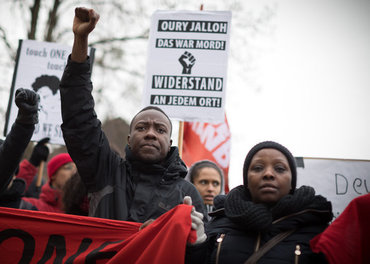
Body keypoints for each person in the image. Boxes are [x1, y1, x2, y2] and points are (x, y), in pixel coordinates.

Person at [59, 7, 206, 222]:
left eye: (160, 129)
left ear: (170, 141)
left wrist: (197, 241)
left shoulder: (188, 195)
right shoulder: (105, 171)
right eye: (141, 127)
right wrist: (80, 40)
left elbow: (201, 254)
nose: (150, 133)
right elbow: (79, 117)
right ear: (129, 139)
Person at [186, 141, 333, 263]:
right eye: (258, 168)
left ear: (292, 181)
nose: (268, 174)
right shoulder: (220, 222)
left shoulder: (316, 231)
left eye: (280, 168)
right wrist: (197, 246)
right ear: (247, 179)